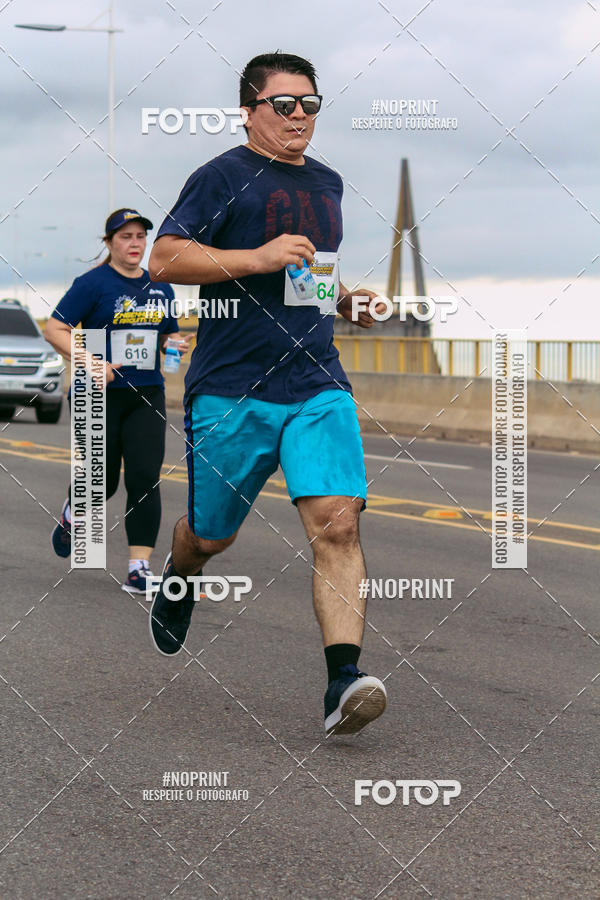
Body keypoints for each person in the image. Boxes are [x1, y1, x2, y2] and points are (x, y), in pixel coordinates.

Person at [148, 51, 387, 735]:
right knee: (212, 538)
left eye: (311, 104)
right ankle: (182, 566)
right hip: (231, 387)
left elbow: (308, 271)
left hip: (315, 378)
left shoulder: (329, 183)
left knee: (339, 524)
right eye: (285, 105)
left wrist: (345, 302)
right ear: (250, 110)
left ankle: (342, 682)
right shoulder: (221, 175)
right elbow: (166, 255)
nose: (300, 117)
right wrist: (254, 258)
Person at [45, 208, 190, 594]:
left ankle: (138, 569)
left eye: (140, 236)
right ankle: (73, 512)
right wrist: (90, 361)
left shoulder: (161, 287)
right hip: (98, 395)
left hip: (146, 393)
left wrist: (172, 343)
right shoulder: (92, 284)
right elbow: (54, 329)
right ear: (109, 243)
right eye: (125, 237)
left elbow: (166, 335)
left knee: (144, 478)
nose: (134, 244)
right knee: (103, 483)